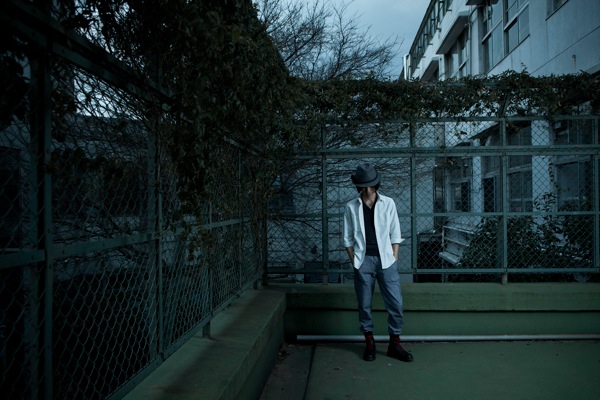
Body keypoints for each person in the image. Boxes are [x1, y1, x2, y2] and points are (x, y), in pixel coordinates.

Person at [342, 163, 413, 362]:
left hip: (387, 260)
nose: (367, 190)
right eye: (363, 186)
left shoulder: (388, 203)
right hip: (363, 261)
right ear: (358, 186)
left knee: (396, 303)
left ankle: (395, 344)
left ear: (376, 184)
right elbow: (347, 238)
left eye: (371, 185)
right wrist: (354, 260)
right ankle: (369, 342)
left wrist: (394, 256)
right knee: (364, 305)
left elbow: (395, 232)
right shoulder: (351, 207)